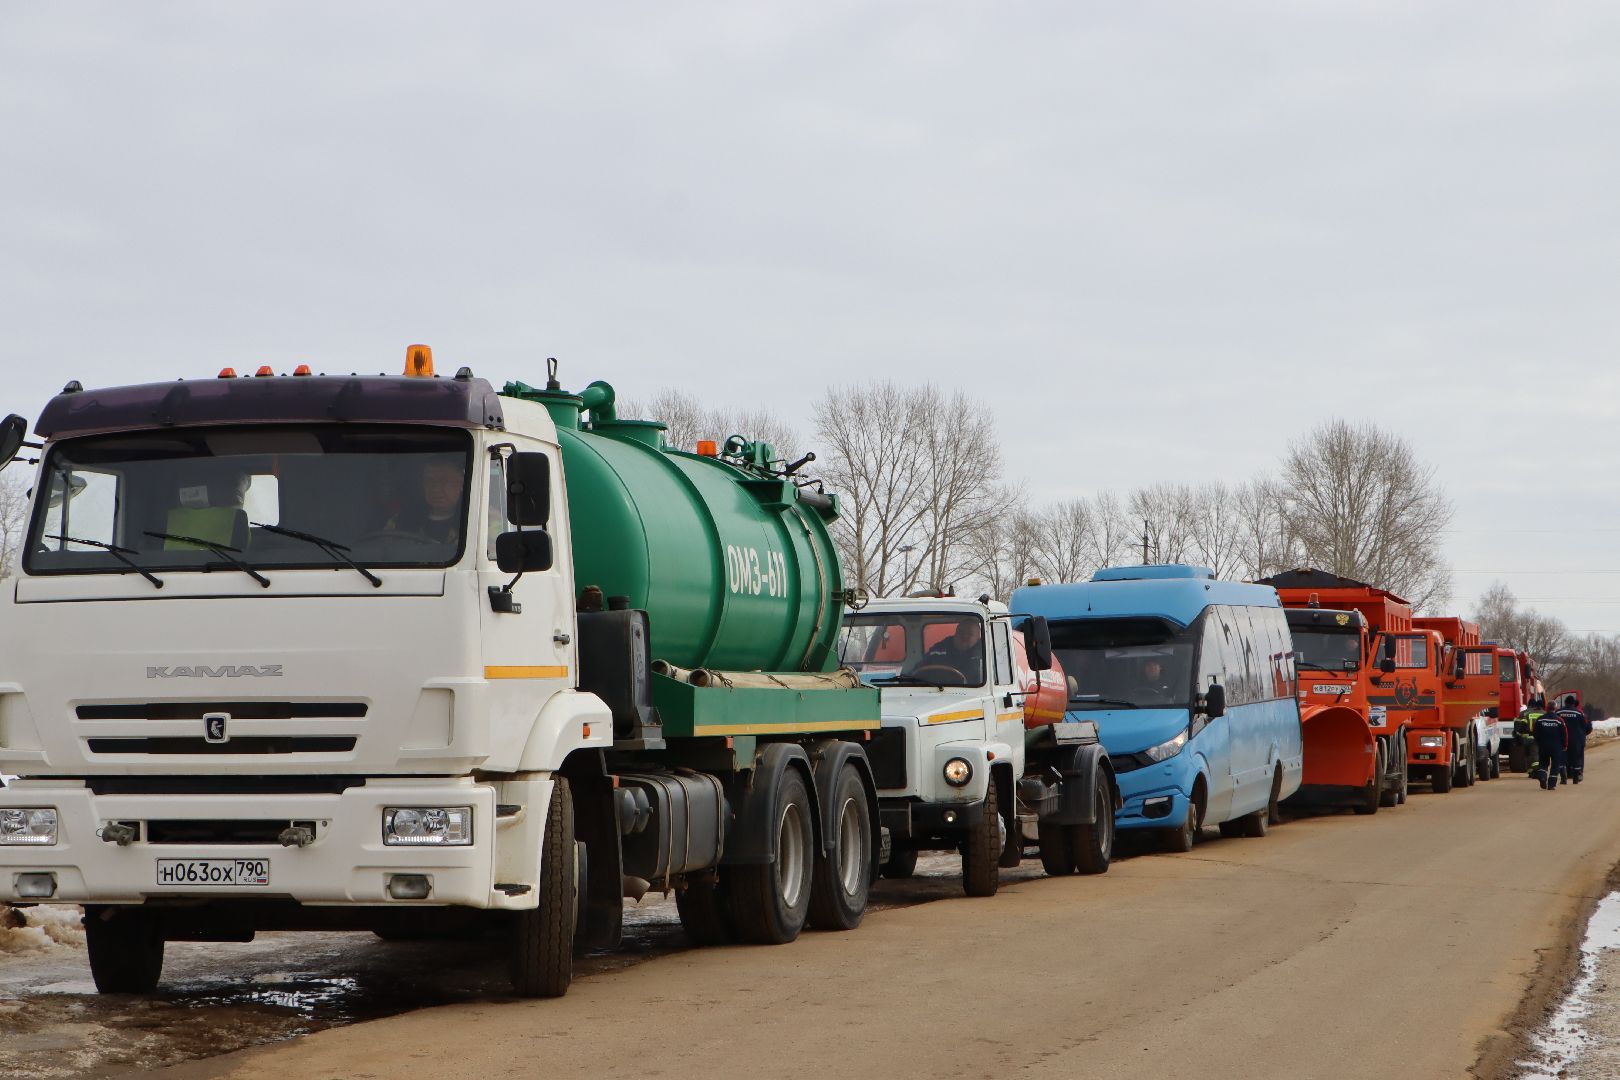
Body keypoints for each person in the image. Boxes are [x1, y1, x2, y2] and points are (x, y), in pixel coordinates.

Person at [383, 458, 466, 546]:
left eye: (444, 481)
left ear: (461, 484)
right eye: (430, 481)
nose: (435, 489)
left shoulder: (471, 523)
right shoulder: (401, 522)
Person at [920, 620, 984, 683]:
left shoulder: (985, 653)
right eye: (961, 632)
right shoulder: (938, 650)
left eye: (970, 634)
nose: (964, 636)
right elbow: (918, 671)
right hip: (938, 690)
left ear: (978, 638)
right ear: (955, 634)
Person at [1532, 704, 1569, 791]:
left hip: (1543, 745)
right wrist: (1565, 745)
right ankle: (1551, 785)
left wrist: (1539, 742)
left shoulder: (1540, 719)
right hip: (1556, 747)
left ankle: (1542, 776)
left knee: (1543, 763)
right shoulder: (1559, 720)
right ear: (1555, 709)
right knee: (1555, 765)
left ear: (1547, 708)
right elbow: (1565, 734)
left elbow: (1535, 732)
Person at [1559, 695, 1592, 784]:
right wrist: (1582, 735)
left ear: (1565, 702)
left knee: (1562, 758)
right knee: (1577, 758)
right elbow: (1587, 727)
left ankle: (1564, 777)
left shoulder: (1558, 712)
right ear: (1574, 703)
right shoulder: (1580, 713)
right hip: (1577, 740)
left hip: (1562, 740)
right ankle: (1576, 777)